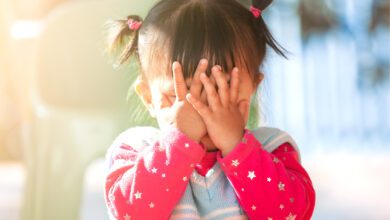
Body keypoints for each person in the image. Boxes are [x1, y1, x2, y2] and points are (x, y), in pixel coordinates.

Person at [104, 0, 316, 219]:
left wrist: (238, 149)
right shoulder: (136, 150)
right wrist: (179, 142)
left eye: (222, 92)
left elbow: (292, 214)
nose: (203, 114)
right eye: (180, 96)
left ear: (253, 87)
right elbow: (130, 214)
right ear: (148, 97)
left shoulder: (271, 149)